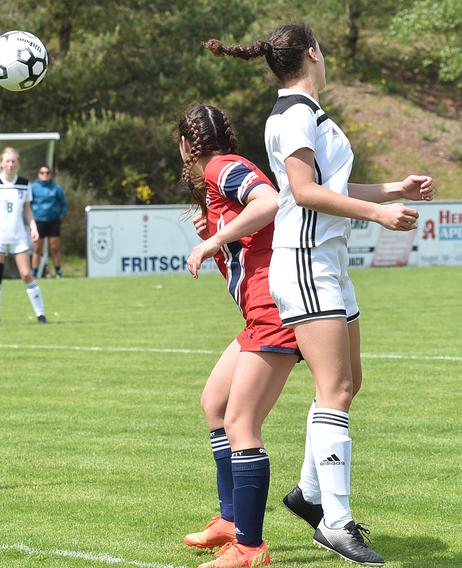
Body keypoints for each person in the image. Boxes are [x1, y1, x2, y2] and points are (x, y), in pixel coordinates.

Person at [205, 24, 434, 566]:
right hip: (306, 264)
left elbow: (328, 187)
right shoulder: (296, 114)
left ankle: (309, 492)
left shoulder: (302, 112)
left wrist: (392, 190)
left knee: (348, 383)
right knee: (333, 389)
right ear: (312, 54)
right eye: (322, 49)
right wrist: (380, 213)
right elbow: (305, 194)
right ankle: (334, 520)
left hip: (327, 262)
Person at [177, 104, 300, 568]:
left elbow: (268, 201)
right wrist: (217, 232)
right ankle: (230, 521)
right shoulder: (221, 173)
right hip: (259, 314)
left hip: (273, 311)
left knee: (241, 423)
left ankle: (250, 547)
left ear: (187, 145)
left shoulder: (220, 167)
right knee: (214, 404)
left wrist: (210, 241)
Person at [0, 147, 47, 325]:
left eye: (13, 161)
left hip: (18, 237)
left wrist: (33, 227)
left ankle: (41, 314)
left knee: (26, 274)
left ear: (18, 164)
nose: (10, 164)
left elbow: (27, 210)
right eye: (7, 161)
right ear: (1, 163)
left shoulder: (24, 184)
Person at [30, 165, 67, 278]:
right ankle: (35, 273)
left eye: (47, 173)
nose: (44, 175)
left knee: (54, 247)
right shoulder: (33, 187)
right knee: (37, 248)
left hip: (53, 221)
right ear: (38, 174)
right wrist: (30, 219)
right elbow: (28, 204)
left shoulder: (56, 188)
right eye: (42, 172)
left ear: (50, 175)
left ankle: (58, 271)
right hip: (38, 221)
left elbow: (64, 204)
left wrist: (61, 215)